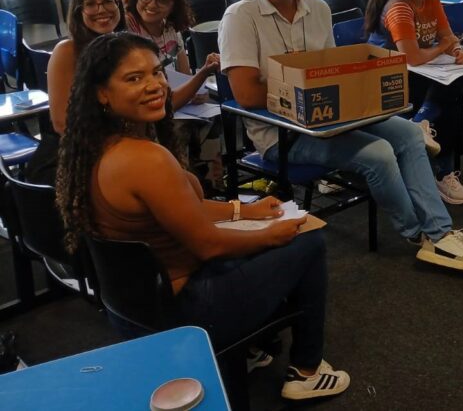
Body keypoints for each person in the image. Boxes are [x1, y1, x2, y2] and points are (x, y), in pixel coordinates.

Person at [54, 32, 349, 401]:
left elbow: (180, 207)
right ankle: (307, 369)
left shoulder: (92, 148)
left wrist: (245, 210)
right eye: (134, 78)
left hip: (136, 309)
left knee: (262, 245)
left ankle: (252, 349)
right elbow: (209, 246)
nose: (154, 85)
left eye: (157, 72)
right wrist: (274, 235)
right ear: (101, 93)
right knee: (310, 242)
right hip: (188, 311)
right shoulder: (145, 159)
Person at [219, 0, 463, 273]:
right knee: (379, 153)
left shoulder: (317, 9)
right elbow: (246, 94)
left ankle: (439, 230)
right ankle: (420, 234)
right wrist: (305, 88)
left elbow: (330, 74)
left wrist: (304, 84)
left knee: (409, 133)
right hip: (281, 133)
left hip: (331, 116)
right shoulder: (240, 17)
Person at [364, 0, 463, 204]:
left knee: (456, 84)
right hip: (385, 79)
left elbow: (447, 35)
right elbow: (412, 57)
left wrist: (456, 51)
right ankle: (442, 170)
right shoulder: (398, 8)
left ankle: (424, 124)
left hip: (417, 73)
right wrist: (443, 46)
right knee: (449, 98)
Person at [25, 0, 128, 184]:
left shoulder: (125, 47)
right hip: (72, 155)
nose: (101, 9)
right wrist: (120, 150)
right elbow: (62, 123)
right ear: (78, 12)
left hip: (118, 145)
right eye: (90, 4)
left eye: (108, 1)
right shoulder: (67, 51)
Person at [123, 0, 220, 108]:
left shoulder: (170, 28)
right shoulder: (126, 29)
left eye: (162, 0)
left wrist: (195, 92)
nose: (152, 4)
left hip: (175, 104)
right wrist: (202, 75)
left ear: (173, 6)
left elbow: (185, 76)